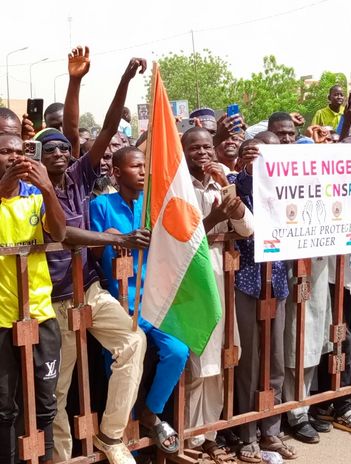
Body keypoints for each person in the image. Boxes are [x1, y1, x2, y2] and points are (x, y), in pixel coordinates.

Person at [44, 51, 148, 464]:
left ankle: (111, 436)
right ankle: (63, 458)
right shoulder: (34, 191)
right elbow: (63, 233)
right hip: (51, 299)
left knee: (132, 342)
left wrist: (119, 78)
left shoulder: (78, 176)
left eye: (63, 151)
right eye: (49, 151)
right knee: (59, 388)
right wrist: (115, 237)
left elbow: (103, 128)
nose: (59, 155)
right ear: (38, 159)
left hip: (87, 290)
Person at [90, 146, 189, 453]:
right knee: (121, 373)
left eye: (145, 166)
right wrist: (110, 237)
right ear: (117, 173)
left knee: (177, 351)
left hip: (154, 301)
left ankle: (150, 412)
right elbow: (92, 254)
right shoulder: (101, 205)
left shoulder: (152, 205)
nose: (143, 171)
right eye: (136, 167)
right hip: (119, 304)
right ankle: (126, 444)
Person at [182, 127, 253, 463]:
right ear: (182, 152)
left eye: (207, 147)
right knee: (197, 367)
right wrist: (215, 216)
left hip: (222, 280)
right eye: (194, 147)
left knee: (222, 362)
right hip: (192, 285)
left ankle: (210, 433)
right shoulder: (177, 189)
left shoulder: (222, 183)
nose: (203, 153)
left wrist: (231, 202)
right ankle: (191, 437)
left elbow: (247, 228)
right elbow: (183, 238)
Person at [229, 137, 297, 461]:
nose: (258, 159)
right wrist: (248, 170)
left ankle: (272, 430)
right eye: (250, 153)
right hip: (247, 281)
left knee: (276, 361)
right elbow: (241, 217)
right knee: (249, 364)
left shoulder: (287, 184)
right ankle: (247, 433)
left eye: (263, 154)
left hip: (278, 280)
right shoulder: (234, 185)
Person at [0, 133, 66, 464]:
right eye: (4, 151)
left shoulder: (35, 196)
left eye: (18, 151)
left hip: (40, 314)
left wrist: (48, 189)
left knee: (45, 404)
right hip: (0, 320)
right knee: (4, 408)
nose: (13, 157)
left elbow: (60, 231)